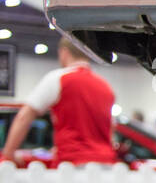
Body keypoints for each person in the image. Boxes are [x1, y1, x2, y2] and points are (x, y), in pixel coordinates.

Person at [1, 37, 119, 166]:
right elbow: (111, 128)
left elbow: (24, 116)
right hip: (106, 164)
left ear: (64, 52)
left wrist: (9, 153)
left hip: (73, 164)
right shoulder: (106, 86)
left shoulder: (58, 79)